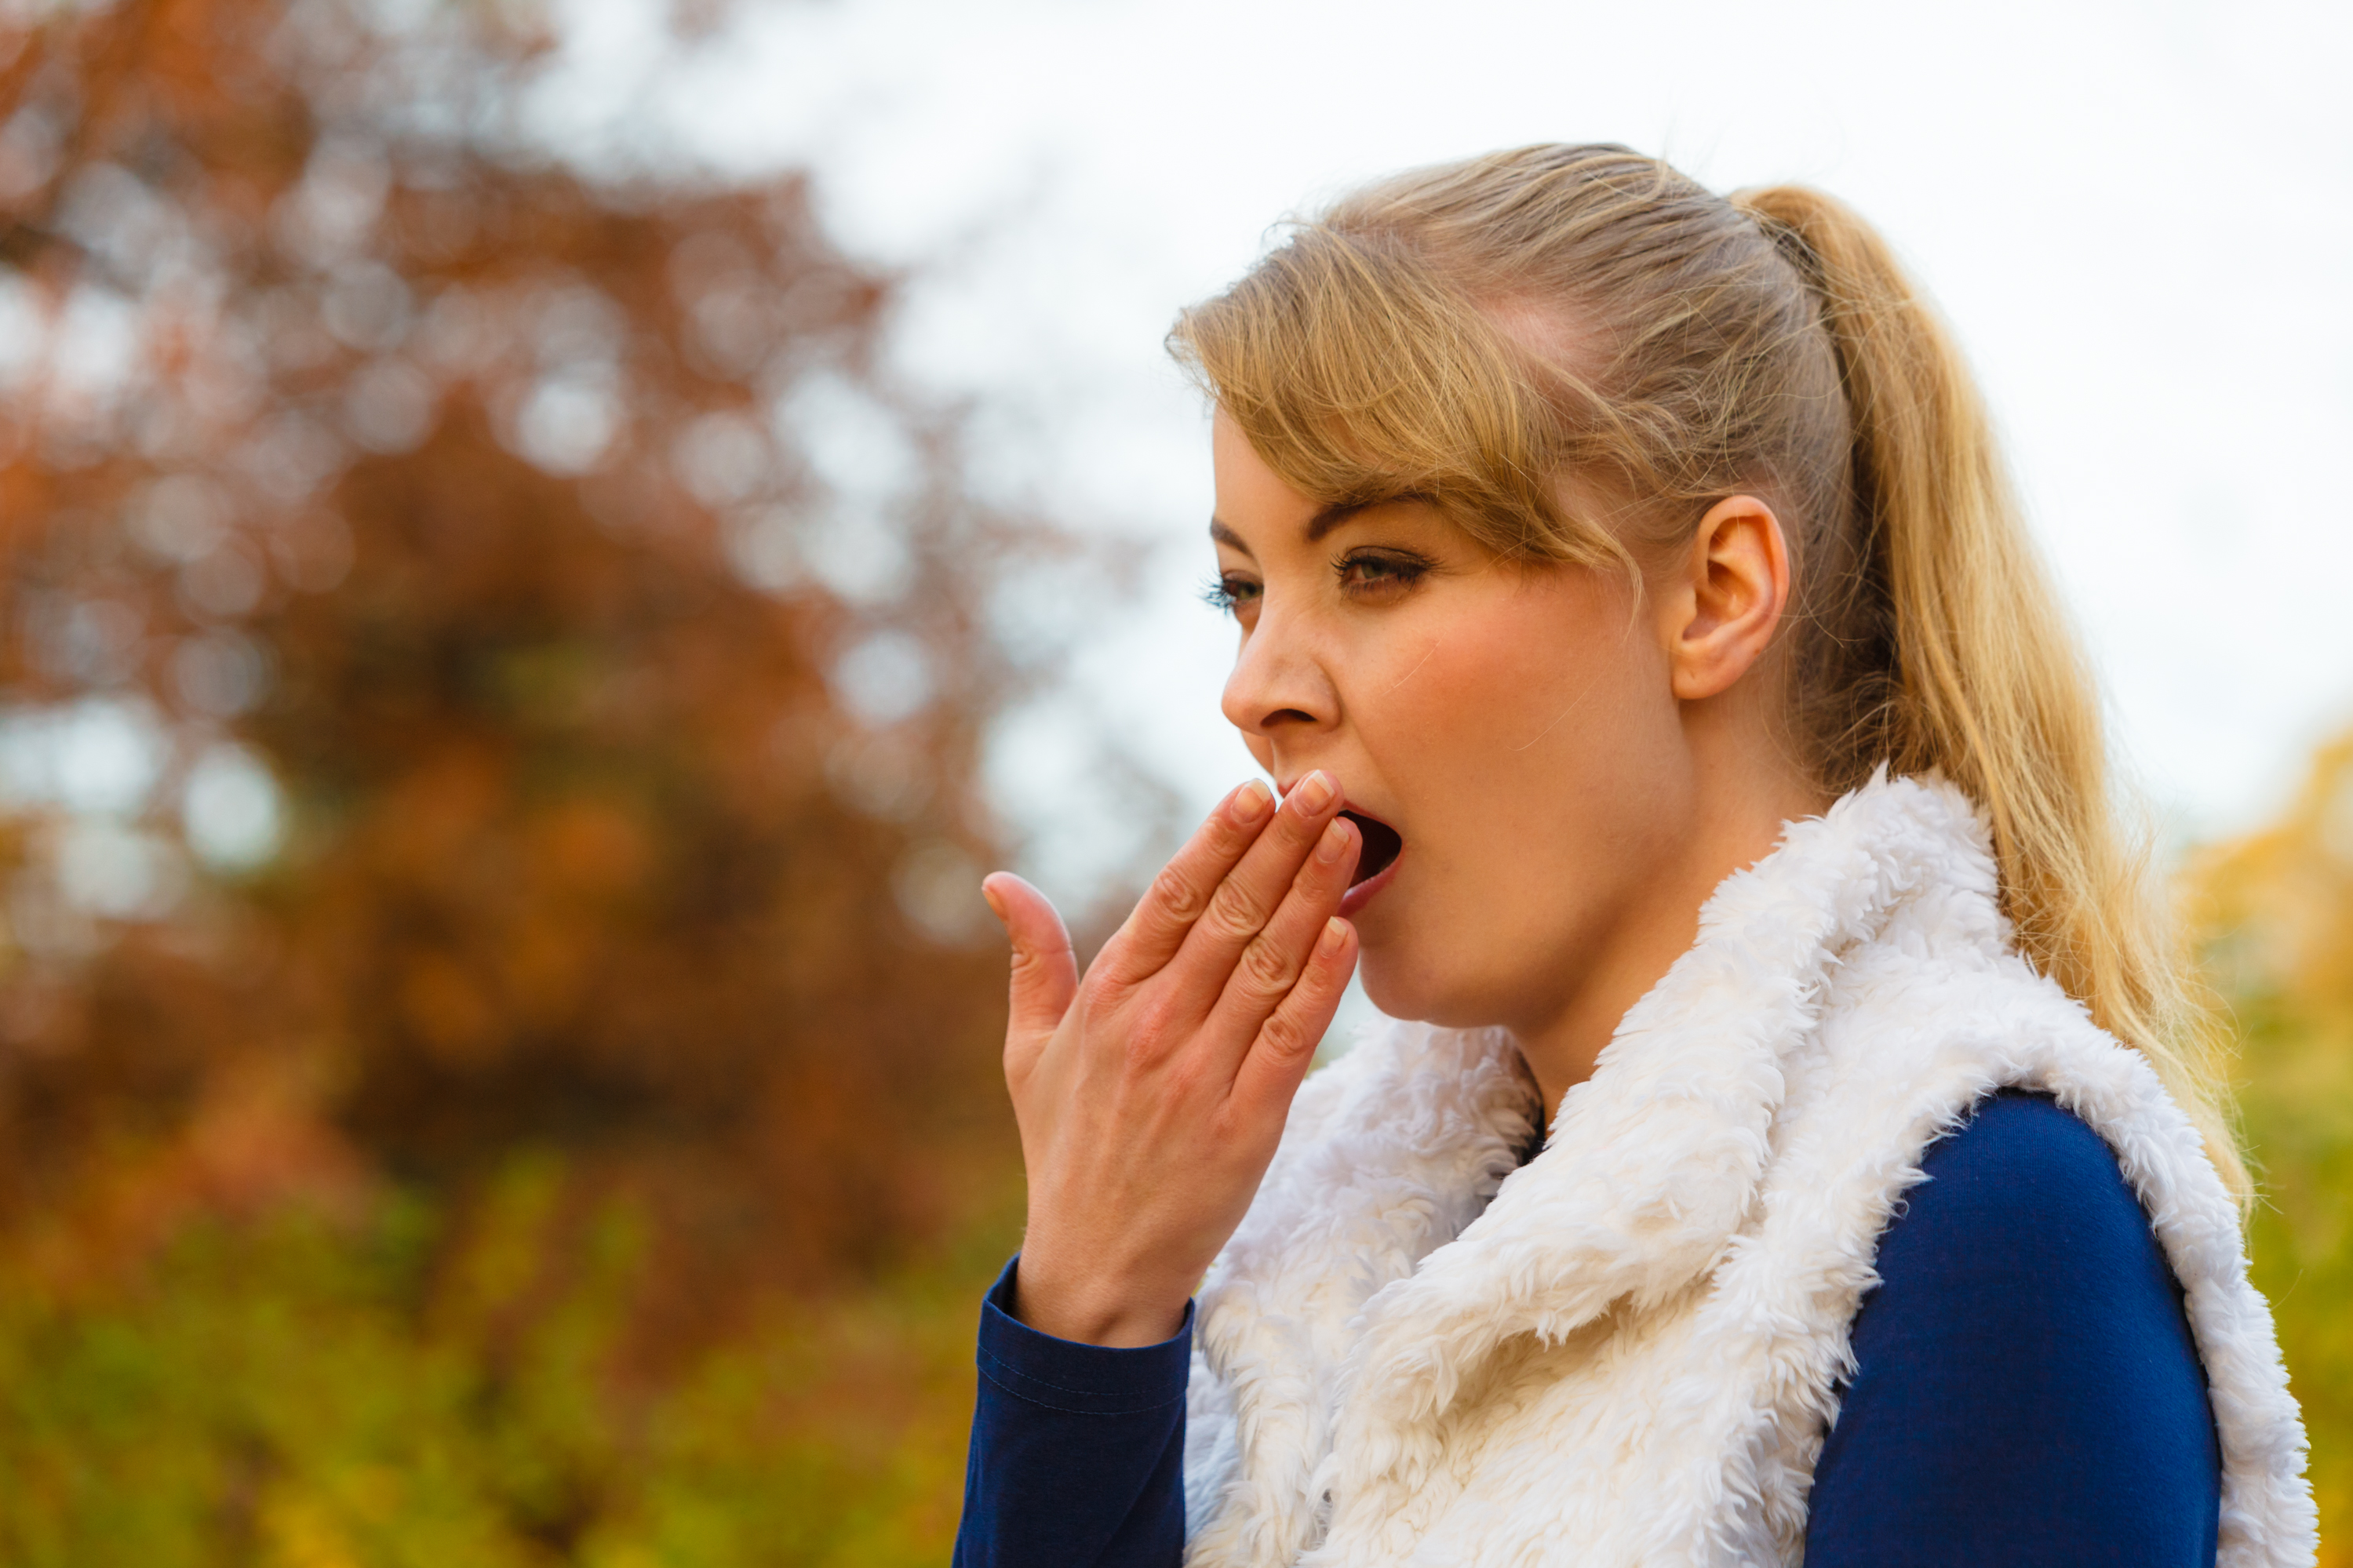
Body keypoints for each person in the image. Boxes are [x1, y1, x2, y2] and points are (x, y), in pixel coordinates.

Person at [952, 144, 2315, 1567]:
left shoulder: (1981, 1217)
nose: (1254, 690)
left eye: (1378, 567)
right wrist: (1091, 1309)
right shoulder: (1281, 1234)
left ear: (1716, 596)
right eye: (1239, 589)